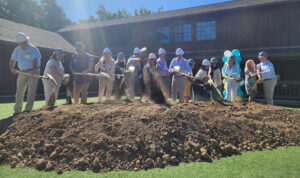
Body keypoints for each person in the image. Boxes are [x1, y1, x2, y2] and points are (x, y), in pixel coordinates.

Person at [9, 32, 41, 115]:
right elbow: (13, 59)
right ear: (20, 43)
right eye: (23, 42)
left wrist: (33, 70)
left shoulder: (33, 49)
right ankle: (17, 111)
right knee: (19, 91)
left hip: (33, 71)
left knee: (31, 92)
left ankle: (27, 110)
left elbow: (35, 60)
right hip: (22, 72)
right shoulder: (17, 49)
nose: (26, 42)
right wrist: (12, 68)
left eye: (26, 41)